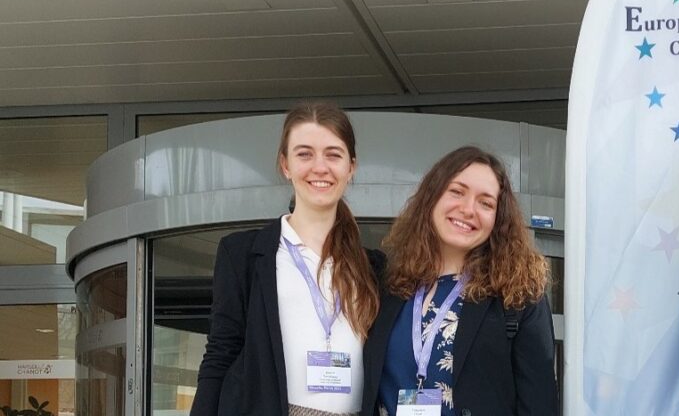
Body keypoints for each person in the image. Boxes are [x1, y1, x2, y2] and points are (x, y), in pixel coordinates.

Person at [192, 101, 383, 416]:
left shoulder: (374, 267)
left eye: (333, 154)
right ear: (285, 164)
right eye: (304, 154)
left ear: (351, 167)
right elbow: (220, 353)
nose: (319, 167)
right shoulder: (243, 254)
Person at [361, 146, 558, 416]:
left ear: (497, 218)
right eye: (457, 191)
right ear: (432, 197)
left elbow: (539, 404)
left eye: (486, 203)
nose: (468, 209)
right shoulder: (391, 286)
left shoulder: (518, 296)